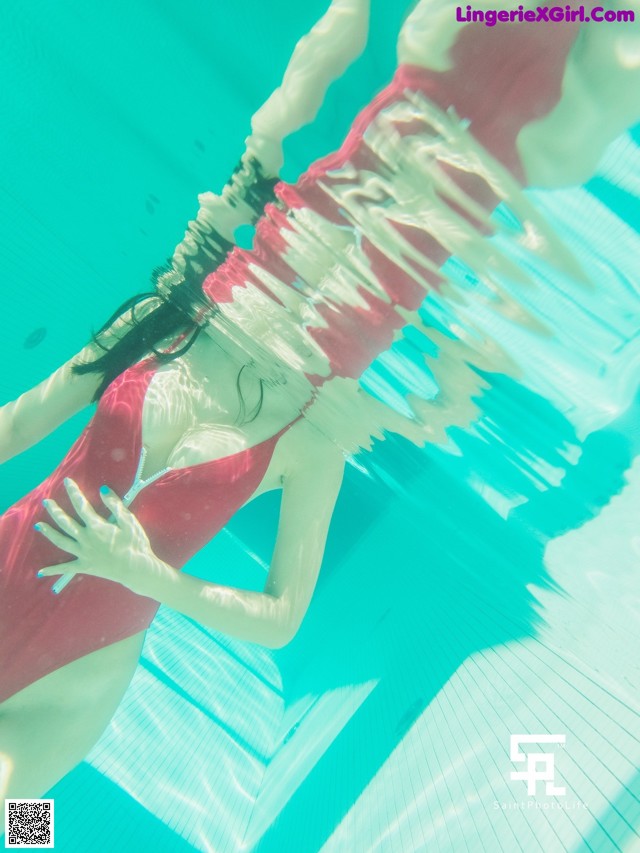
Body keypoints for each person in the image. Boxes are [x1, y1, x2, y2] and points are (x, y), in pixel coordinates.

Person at [1, 0, 638, 818]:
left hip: (343, 196)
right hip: (77, 673)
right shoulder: (313, 439)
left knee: (442, 74)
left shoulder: (163, 321)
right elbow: (280, 619)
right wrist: (143, 573)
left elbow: (18, 422)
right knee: (560, 106)